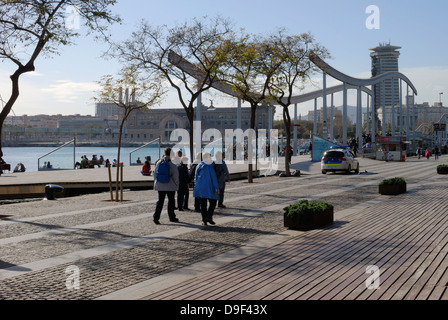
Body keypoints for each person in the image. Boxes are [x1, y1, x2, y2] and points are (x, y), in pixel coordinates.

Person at [153, 147, 179, 225]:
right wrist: (177, 185)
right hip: (170, 186)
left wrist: (156, 182)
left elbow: (154, 173)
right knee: (171, 201)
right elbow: (176, 176)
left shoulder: (159, 162)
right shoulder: (173, 164)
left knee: (160, 201)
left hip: (160, 185)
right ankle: (171, 217)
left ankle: (156, 217)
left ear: (164, 153)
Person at [193, 152, 219, 226]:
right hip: (209, 188)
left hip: (201, 188)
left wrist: (196, 187)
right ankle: (208, 217)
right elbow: (213, 178)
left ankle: (204, 219)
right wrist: (216, 188)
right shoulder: (210, 166)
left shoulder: (199, 165)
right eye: (209, 157)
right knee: (213, 202)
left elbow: (196, 177)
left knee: (203, 205)